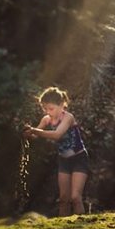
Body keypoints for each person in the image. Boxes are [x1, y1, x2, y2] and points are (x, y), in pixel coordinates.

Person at [23, 86, 89, 216]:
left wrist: (33, 130)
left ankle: (82, 225)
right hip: (64, 160)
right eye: (45, 109)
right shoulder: (46, 119)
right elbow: (35, 136)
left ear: (62, 104)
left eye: (51, 109)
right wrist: (27, 132)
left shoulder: (68, 117)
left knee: (75, 197)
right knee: (64, 199)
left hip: (79, 159)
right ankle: (61, 228)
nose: (49, 112)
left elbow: (57, 135)